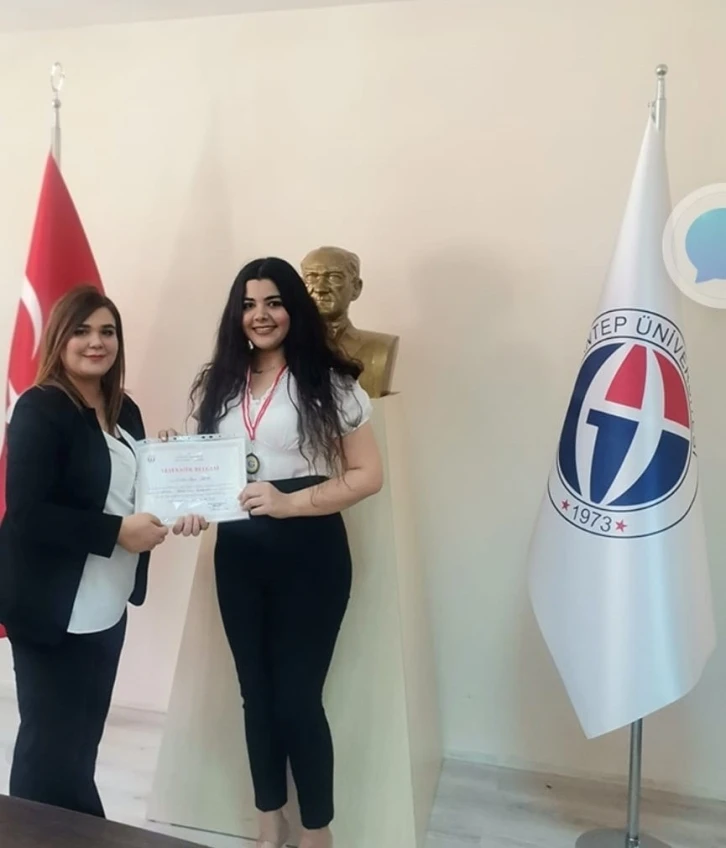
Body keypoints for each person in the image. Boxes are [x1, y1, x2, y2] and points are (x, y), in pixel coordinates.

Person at [177, 257, 383, 848]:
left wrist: (290, 503)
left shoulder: (329, 382)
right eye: (248, 304)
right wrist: (186, 501)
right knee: (256, 696)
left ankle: (318, 831)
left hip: (310, 553)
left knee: (297, 699)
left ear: (293, 307)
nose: (260, 315)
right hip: (239, 553)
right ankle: (271, 823)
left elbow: (368, 475)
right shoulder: (219, 382)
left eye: (273, 302)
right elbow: (205, 470)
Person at [0, 285, 206, 818]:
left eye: (107, 331)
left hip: (108, 603)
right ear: (59, 338)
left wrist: (180, 489)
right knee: (48, 747)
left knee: (80, 742)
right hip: (51, 608)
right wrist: (116, 533)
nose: (97, 342)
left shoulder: (124, 408)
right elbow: (28, 513)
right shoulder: (39, 408)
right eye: (83, 331)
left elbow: (134, 492)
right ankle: (36, 833)